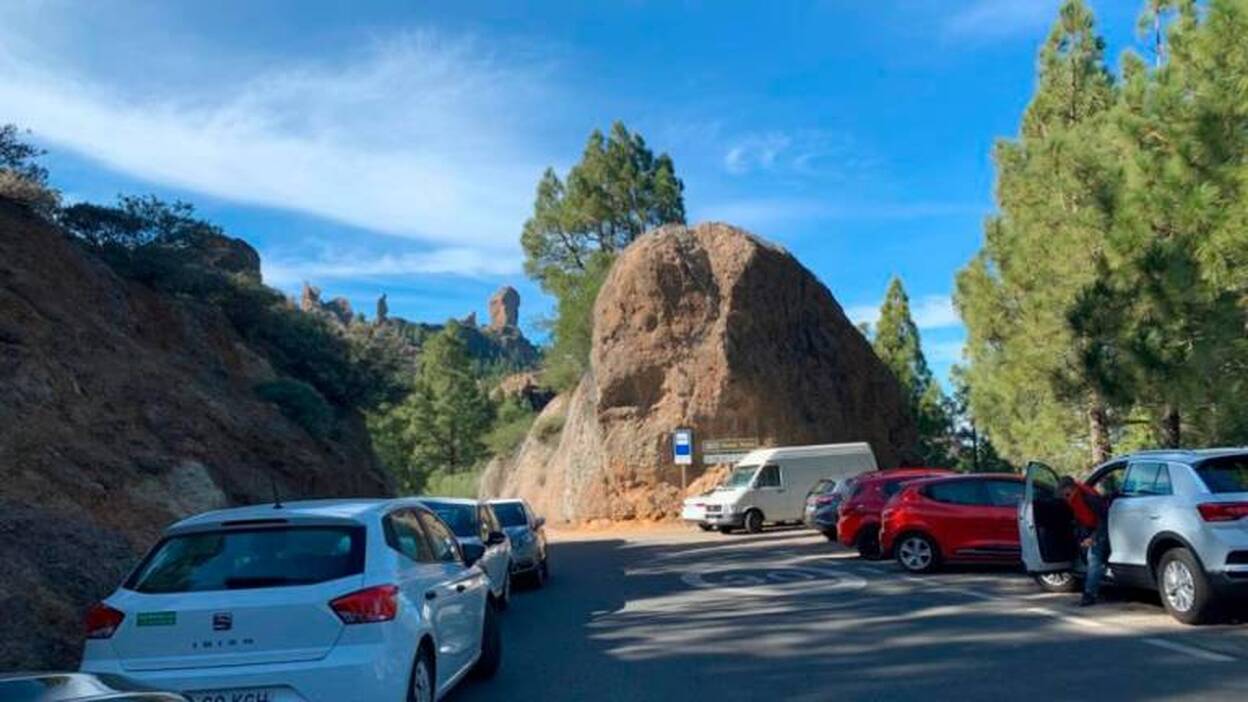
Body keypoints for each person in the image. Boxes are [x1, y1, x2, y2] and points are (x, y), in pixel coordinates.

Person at [1058, 475, 1109, 606]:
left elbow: (1103, 517)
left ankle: (1089, 594)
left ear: (1069, 488)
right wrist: (1084, 537)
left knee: (1094, 559)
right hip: (1092, 529)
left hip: (1100, 528)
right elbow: (1081, 518)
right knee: (1093, 559)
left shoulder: (1088, 496)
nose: (1063, 496)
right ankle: (1095, 586)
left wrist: (1093, 537)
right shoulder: (1076, 496)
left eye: (1063, 492)